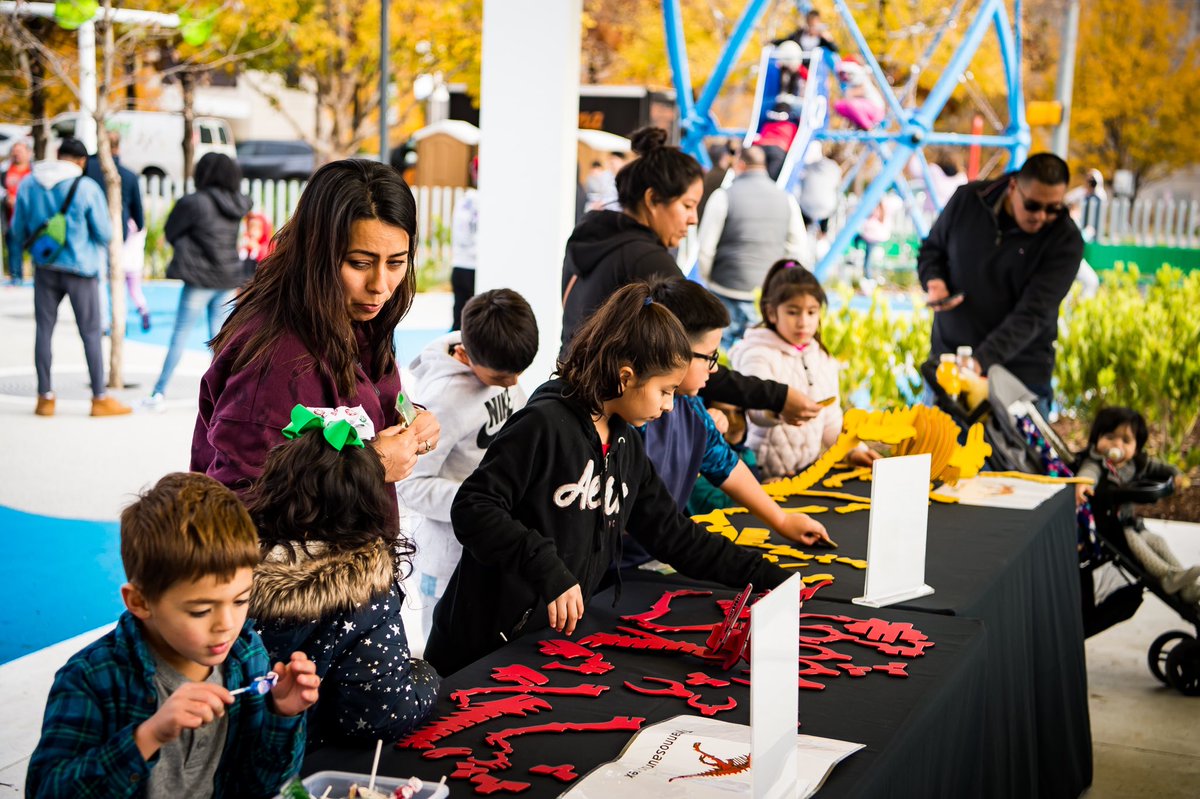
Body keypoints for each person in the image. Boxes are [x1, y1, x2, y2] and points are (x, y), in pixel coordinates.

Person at [423, 283, 792, 676]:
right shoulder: (543, 425)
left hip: (543, 649)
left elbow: (675, 536)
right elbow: (473, 507)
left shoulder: (626, 445)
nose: (669, 405)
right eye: (665, 391)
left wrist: (766, 576)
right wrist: (545, 566)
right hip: (479, 650)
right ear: (626, 376)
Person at [25, 472, 319, 797]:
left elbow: (265, 785)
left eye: (240, 600)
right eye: (200, 610)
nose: (226, 624)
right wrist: (147, 736)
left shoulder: (247, 655)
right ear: (140, 601)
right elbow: (45, 792)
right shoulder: (91, 678)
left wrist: (282, 715)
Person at [193, 159, 441, 538]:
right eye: (360, 263)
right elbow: (236, 508)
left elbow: (353, 419)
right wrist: (370, 466)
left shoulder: (359, 320)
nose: (380, 285)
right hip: (301, 590)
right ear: (317, 253)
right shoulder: (274, 361)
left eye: (396, 263)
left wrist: (407, 421)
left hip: (354, 572)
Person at [560, 126, 825, 430]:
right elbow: (692, 357)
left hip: (575, 396)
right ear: (652, 200)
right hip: (609, 418)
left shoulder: (588, 241)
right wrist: (778, 396)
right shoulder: (648, 262)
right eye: (687, 206)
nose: (693, 219)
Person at [248, 407, 440, 748]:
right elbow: (382, 715)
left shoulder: (229, 579)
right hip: (317, 764)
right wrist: (425, 676)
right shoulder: (364, 593)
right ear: (367, 506)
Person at [638, 277, 832, 555]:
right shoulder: (632, 421)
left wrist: (782, 520)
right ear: (674, 351)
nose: (714, 369)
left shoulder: (692, 409)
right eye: (710, 356)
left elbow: (726, 466)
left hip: (654, 556)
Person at [397, 288, 538, 638]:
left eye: (519, 373)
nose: (515, 383)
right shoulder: (441, 399)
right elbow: (410, 484)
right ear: (469, 356)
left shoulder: (500, 355)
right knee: (445, 658)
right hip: (447, 561)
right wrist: (482, 501)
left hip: (493, 544)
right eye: (503, 378)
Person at [917, 152, 1083, 416]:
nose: (1041, 216)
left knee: (1010, 459)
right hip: (949, 365)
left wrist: (978, 364)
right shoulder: (968, 200)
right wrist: (934, 281)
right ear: (1013, 186)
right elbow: (931, 250)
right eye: (1033, 205)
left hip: (1019, 379)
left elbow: (1033, 314)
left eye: (1053, 208)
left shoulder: (1065, 240)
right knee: (937, 456)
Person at [8, 137, 130, 417]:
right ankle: (99, 399)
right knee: (90, 334)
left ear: (57, 154)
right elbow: (105, 234)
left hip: (45, 268)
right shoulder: (87, 188)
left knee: (43, 331)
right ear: (82, 161)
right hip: (81, 270)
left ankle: (45, 398)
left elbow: (17, 231)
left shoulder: (28, 183)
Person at [731, 260, 880, 480]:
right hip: (759, 477)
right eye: (793, 312)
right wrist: (779, 407)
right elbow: (756, 412)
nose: (803, 322)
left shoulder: (821, 357)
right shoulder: (758, 354)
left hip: (804, 474)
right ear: (772, 313)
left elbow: (830, 420)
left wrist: (854, 451)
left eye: (811, 312)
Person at [144, 153, 252, 408]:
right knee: (220, 340)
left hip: (199, 279)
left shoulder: (194, 203)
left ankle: (158, 392)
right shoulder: (238, 203)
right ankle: (220, 396)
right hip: (227, 278)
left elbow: (171, 231)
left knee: (180, 334)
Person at [1074, 407, 1197, 605]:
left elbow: (1158, 468)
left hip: (1132, 522)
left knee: (1157, 541)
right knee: (1138, 544)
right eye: (1110, 436)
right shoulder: (1097, 462)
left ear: (1136, 447)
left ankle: (1185, 583)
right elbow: (1088, 474)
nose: (1116, 444)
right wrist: (1083, 484)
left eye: (1126, 440)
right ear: (1096, 437)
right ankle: (1166, 576)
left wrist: (1175, 475)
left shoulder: (1135, 464)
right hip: (1114, 529)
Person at [697, 145, 811, 350]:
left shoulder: (723, 196)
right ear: (764, 166)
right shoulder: (787, 199)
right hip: (764, 295)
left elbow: (705, 246)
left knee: (718, 359)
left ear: (740, 165)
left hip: (724, 288)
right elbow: (798, 249)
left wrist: (709, 279)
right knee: (757, 357)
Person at [87, 130, 150, 331]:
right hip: (118, 231)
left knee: (100, 280)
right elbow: (137, 210)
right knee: (119, 280)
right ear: (118, 147)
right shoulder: (129, 175)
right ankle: (118, 319)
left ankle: (104, 322)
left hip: (92, 229)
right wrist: (138, 226)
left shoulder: (89, 168)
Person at [450, 156, 480, 330]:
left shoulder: (464, 200)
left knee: (459, 322)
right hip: (475, 267)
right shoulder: (485, 201)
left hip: (460, 264)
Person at [2, 139, 32, 284]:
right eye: (14, 153)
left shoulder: (34, 172)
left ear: (28, 153)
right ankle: (16, 278)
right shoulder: (5, 172)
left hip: (31, 218)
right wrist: (6, 198)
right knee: (14, 249)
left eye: (20, 152)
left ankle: (37, 277)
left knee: (35, 248)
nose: (17, 155)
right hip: (12, 218)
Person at [753, 103, 799, 180]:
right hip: (778, 151)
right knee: (769, 179)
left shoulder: (767, 124)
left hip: (761, 148)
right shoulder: (792, 127)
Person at [698, 139, 735, 222]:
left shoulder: (706, 175)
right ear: (724, 157)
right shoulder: (728, 176)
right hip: (713, 221)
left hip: (701, 219)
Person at [238, 210, 275, 280]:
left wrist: (258, 248)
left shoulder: (267, 245)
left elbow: (267, 259)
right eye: (250, 228)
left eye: (256, 229)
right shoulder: (246, 244)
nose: (252, 232)